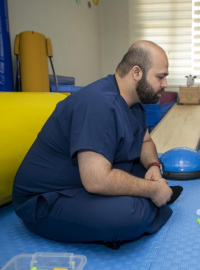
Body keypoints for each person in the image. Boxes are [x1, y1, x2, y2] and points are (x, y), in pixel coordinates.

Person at [12, 40, 182, 249]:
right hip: (45, 201)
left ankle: (153, 197)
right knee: (129, 214)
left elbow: (145, 140)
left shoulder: (135, 102)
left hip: (85, 179)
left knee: (142, 168)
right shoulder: (99, 104)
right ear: (136, 72)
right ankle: (155, 199)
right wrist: (152, 190)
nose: (165, 84)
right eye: (160, 76)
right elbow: (96, 181)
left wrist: (154, 167)